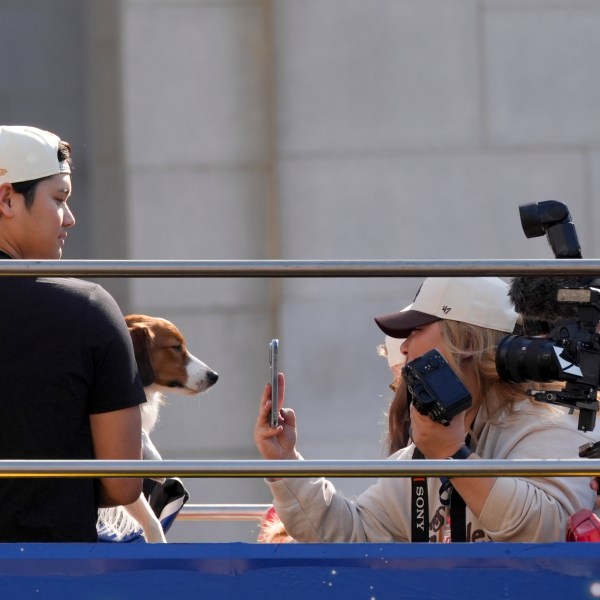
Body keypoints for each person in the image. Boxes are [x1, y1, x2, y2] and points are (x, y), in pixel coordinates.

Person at [254, 277, 597, 543]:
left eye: (416, 330)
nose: (403, 347)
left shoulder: (554, 422)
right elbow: (354, 537)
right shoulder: (424, 452)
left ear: (466, 342)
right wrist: (287, 464)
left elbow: (547, 533)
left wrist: (452, 454)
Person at [0, 125, 146, 542]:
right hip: (54, 569)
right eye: (60, 199)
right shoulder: (88, 308)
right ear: (6, 199)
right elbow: (123, 484)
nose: (70, 218)